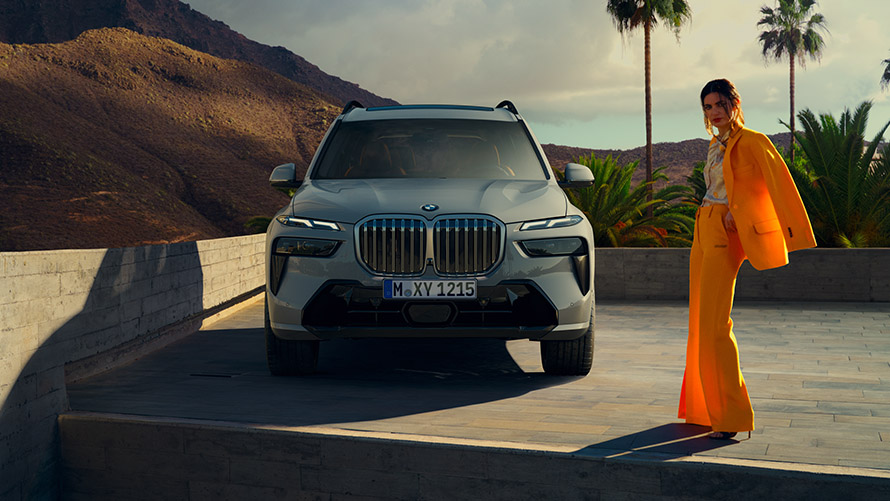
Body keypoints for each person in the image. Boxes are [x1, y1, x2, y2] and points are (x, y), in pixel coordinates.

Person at [678, 78, 817, 440]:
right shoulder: (713, 146)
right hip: (702, 228)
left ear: (734, 103)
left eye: (720, 104)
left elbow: (778, 184)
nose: (714, 112)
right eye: (707, 107)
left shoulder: (754, 142)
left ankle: (732, 416)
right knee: (699, 323)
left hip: (727, 234)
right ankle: (703, 410)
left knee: (715, 326)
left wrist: (743, 217)